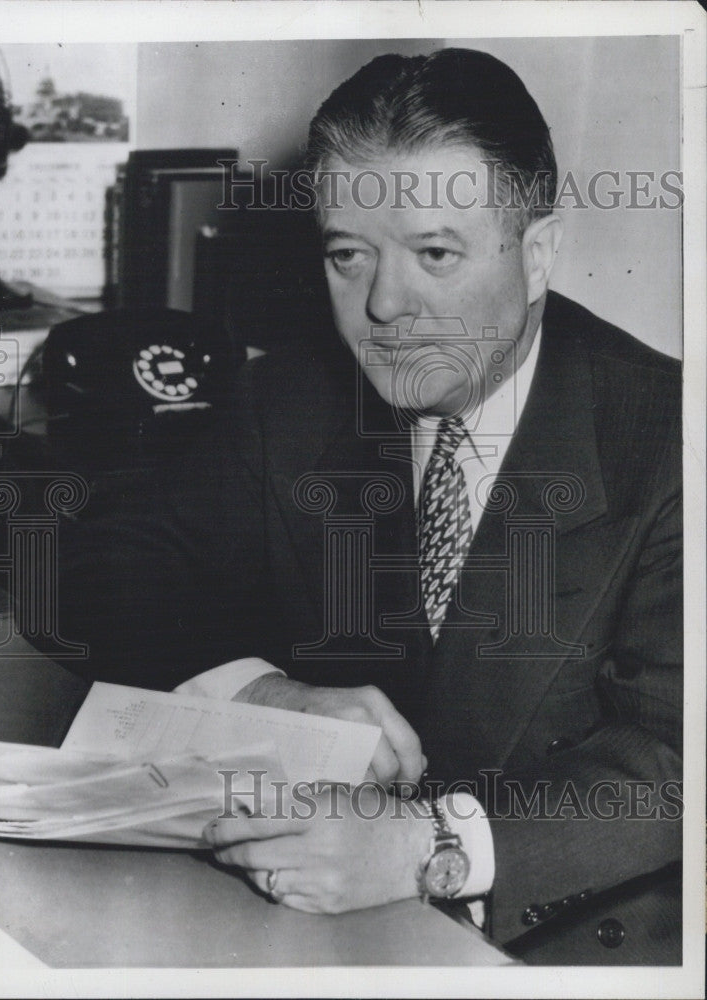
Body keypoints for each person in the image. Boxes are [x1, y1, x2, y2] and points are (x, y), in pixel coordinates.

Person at [55, 48, 682, 965]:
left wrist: (427, 845)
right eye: (348, 255)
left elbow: (680, 756)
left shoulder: (669, 437)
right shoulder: (294, 398)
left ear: (537, 252)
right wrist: (261, 690)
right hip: (311, 934)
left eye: (434, 253)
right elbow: (97, 563)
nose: (384, 305)